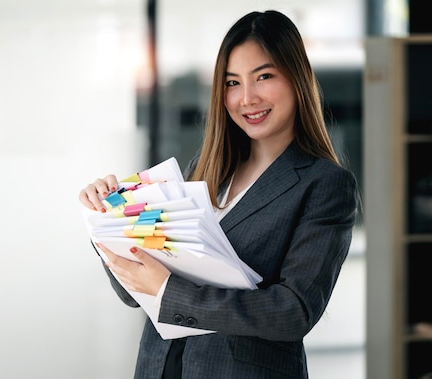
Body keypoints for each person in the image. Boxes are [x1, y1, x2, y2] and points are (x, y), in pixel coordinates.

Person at [78, 9, 359, 379]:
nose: (247, 98)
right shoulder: (205, 171)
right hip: (161, 368)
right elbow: (134, 294)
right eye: (232, 83)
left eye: (264, 76)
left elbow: (293, 312)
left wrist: (169, 292)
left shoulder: (323, 184)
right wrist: (109, 220)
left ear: (297, 79)